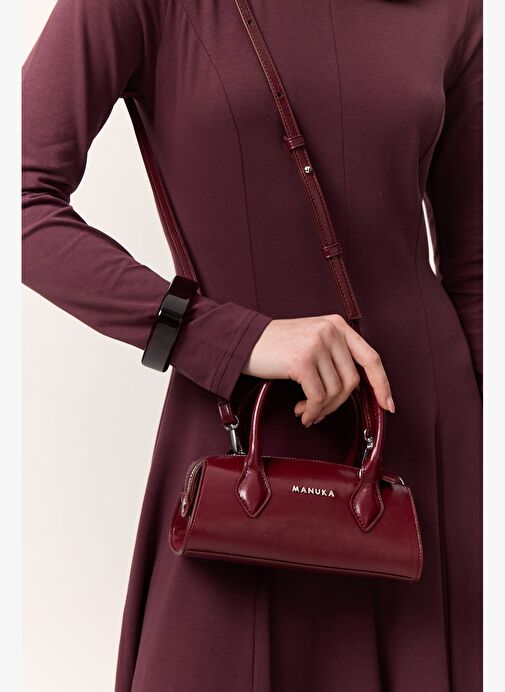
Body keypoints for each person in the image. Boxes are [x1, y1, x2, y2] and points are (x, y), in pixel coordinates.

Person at [22, 0, 482, 690]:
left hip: (425, 447)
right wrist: (227, 336)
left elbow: (477, 267)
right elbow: (21, 202)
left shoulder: (452, 9)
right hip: (243, 436)